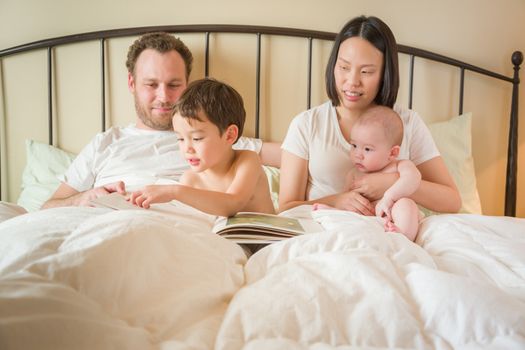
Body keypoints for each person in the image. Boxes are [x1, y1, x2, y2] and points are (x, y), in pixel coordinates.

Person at [41, 32, 280, 210]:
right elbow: (46, 209)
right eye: (151, 84)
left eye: (174, 85)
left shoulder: (218, 139)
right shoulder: (105, 143)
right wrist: (83, 198)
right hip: (101, 220)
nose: (164, 97)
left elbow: (297, 154)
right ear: (132, 83)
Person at [279, 15, 461, 215]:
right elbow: (286, 208)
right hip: (326, 233)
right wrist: (336, 201)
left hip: (390, 232)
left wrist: (395, 183)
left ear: (385, 74)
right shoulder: (307, 124)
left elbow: (452, 201)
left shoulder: (407, 123)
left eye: (366, 72)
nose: (352, 81)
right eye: (344, 67)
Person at [129, 78, 275, 216]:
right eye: (180, 138)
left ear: (229, 135)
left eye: (197, 138)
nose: (187, 148)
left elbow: (233, 203)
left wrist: (174, 191)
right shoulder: (190, 180)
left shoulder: (247, 161)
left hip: (267, 239)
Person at [314, 105, 421, 241]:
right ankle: (332, 214)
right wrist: (336, 207)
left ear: (392, 153)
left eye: (367, 149)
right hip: (369, 218)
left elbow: (414, 178)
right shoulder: (353, 174)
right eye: (354, 146)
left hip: (394, 214)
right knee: (351, 207)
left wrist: (390, 197)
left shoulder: (399, 166)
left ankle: (403, 235)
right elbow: (346, 200)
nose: (358, 154)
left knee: (406, 204)